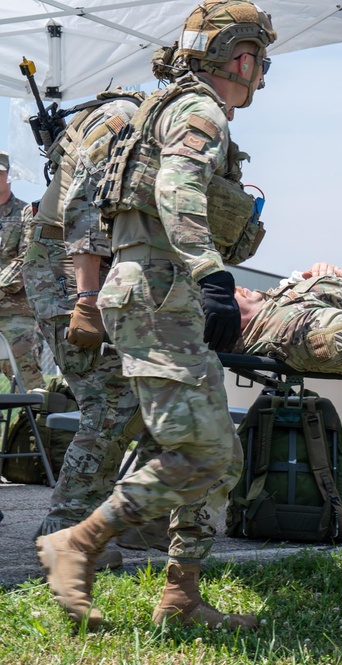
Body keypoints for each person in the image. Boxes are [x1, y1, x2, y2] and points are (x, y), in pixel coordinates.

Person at [36, 0, 275, 631]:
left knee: (213, 454)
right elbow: (176, 190)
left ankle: (181, 597)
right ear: (243, 58)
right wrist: (213, 274)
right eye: (260, 60)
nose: (260, 73)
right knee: (200, 452)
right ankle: (78, 542)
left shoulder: (164, 107)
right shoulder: (198, 110)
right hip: (161, 293)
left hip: (160, 294)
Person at [21, 90, 169, 564]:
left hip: (109, 272)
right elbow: (83, 217)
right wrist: (86, 302)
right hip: (66, 268)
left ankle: (136, 523)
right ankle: (66, 531)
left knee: (156, 396)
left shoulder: (164, 131)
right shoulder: (125, 121)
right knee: (111, 400)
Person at [0, 151, 44, 391]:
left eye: (0, 173)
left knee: (29, 388)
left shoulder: (26, 213)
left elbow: (28, 258)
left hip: (14, 314)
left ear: (9, 176)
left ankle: (34, 426)